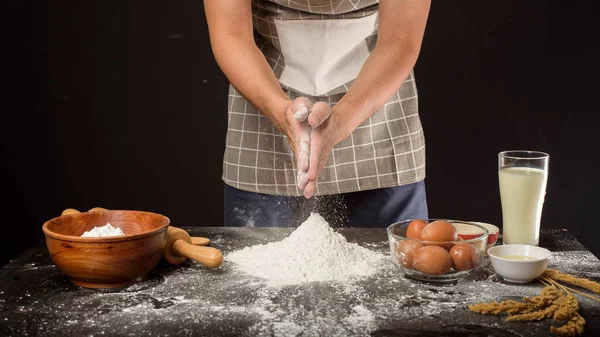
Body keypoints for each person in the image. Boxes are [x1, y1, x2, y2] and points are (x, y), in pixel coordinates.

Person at [204, 0, 431, 228]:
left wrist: (342, 120)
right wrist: (282, 112)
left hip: (379, 106)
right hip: (262, 95)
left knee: (393, 260)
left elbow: (399, 40)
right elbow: (230, 33)